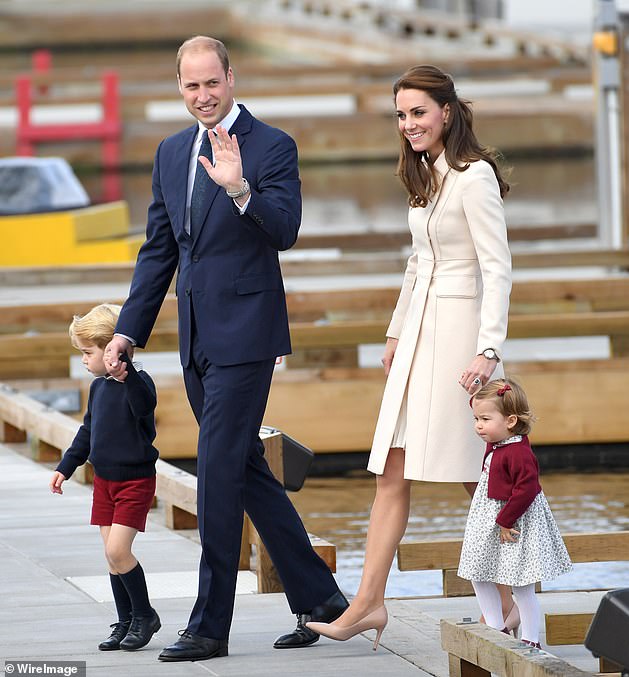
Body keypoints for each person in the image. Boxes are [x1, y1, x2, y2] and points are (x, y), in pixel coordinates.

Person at [103, 36, 347, 662]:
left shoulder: (272, 146)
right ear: (179, 87)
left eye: (212, 83)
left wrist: (241, 190)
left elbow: (286, 230)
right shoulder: (170, 151)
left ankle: (210, 625)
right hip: (196, 337)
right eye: (191, 86)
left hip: (248, 333)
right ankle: (322, 602)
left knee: (214, 472)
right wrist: (129, 330)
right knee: (244, 469)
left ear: (231, 80)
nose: (203, 96)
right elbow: (160, 250)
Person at [307, 64, 513, 648]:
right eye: (401, 115)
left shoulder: (474, 179)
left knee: (480, 476)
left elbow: (497, 268)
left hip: (460, 343)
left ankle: (518, 598)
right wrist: (396, 333)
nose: (408, 124)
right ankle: (368, 603)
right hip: (420, 338)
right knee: (392, 469)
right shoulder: (424, 175)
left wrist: (488, 348)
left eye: (418, 112)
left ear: (447, 111)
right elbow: (417, 262)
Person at [49, 303, 161, 652]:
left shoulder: (138, 384)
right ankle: (125, 620)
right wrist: (65, 467)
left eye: (87, 352)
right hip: (105, 482)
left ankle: (145, 617)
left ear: (113, 351)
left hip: (134, 481)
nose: (83, 360)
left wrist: (127, 374)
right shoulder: (98, 388)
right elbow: (87, 432)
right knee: (111, 558)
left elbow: (144, 407)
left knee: (119, 550)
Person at [457, 378, 573, 647]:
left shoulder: (518, 453)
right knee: (478, 571)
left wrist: (505, 520)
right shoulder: (496, 443)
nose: (478, 425)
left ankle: (531, 639)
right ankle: (496, 627)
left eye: (485, 418)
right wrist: (478, 400)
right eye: (476, 418)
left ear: (510, 421)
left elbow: (527, 488)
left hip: (515, 521)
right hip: (490, 519)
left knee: (522, 585)